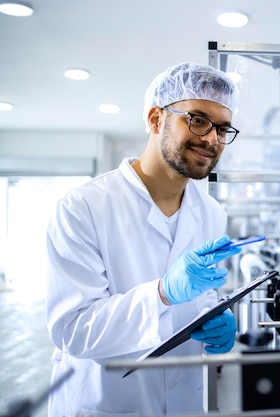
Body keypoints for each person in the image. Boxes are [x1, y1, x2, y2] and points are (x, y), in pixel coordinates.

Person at [45, 62, 243, 416]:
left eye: (223, 128)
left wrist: (215, 318)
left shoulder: (211, 213)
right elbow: (72, 331)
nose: (212, 139)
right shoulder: (84, 207)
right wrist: (163, 293)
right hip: (106, 403)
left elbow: (202, 294)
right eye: (197, 120)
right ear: (155, 119)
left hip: (184, 402)